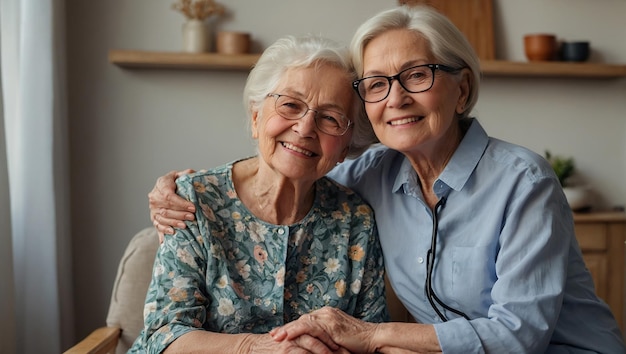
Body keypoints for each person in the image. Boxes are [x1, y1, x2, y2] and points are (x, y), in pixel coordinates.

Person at [148, 6, 626, 354]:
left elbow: (520, 334)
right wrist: (179, 185)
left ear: (462, 90)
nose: (395, 98)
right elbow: (297, 157)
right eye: (377, 83)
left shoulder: (524, 182)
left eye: (416, 75)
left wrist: (372, 336)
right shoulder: (376, 173)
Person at [129, 34, 390, 354]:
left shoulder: (356, 219)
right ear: (256, 118)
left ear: (345, 148)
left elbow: (370, 336)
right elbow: (164, 334)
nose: (306, 128)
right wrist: (256, 347)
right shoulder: (194, 201)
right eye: (291, 105)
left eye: (330, 118)